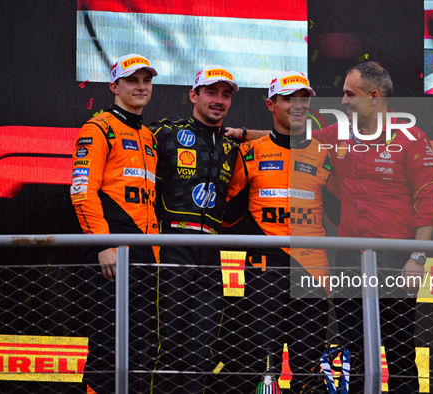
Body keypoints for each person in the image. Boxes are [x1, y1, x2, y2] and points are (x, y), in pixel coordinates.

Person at [317, 61, 433, 392]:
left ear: (373, 97)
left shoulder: (410, 139)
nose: (342, 101)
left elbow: (427, 205)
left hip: (393, 260)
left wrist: (417, 258)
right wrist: (244, 134)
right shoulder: (336, 135)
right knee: (352, 353)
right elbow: (287, 141)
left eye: (349, 94)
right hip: (348, 260)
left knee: (399, 351)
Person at [223, 71, 334, 393]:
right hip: (265, 261)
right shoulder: (250, 152)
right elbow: (229, 215)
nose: (297, 106)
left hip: (313, 265)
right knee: (263, 362)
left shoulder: (324, 153)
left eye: (303, 99)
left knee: (309, 364)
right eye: (288, 99)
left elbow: (344, 208)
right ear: (271, 104)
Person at [148, 65, 241, 393]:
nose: (219, 100)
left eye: (226, 95)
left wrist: (246, 134)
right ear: (193, 95)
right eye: (211, 92)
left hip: (211, 254)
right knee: (165, 349)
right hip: (169, 247)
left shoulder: (232, 146)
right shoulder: (165, 133)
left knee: (200, 352)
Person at [70, 53, 159, 393]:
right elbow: (82, 191)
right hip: (113, 248)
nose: (140, 87)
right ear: (114, 86)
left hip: (146, 250)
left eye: (146, 81)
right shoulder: (99, 127)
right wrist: (102, 244)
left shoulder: (148, 136)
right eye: (132, 80)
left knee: (138, 344)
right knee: (108, 343)